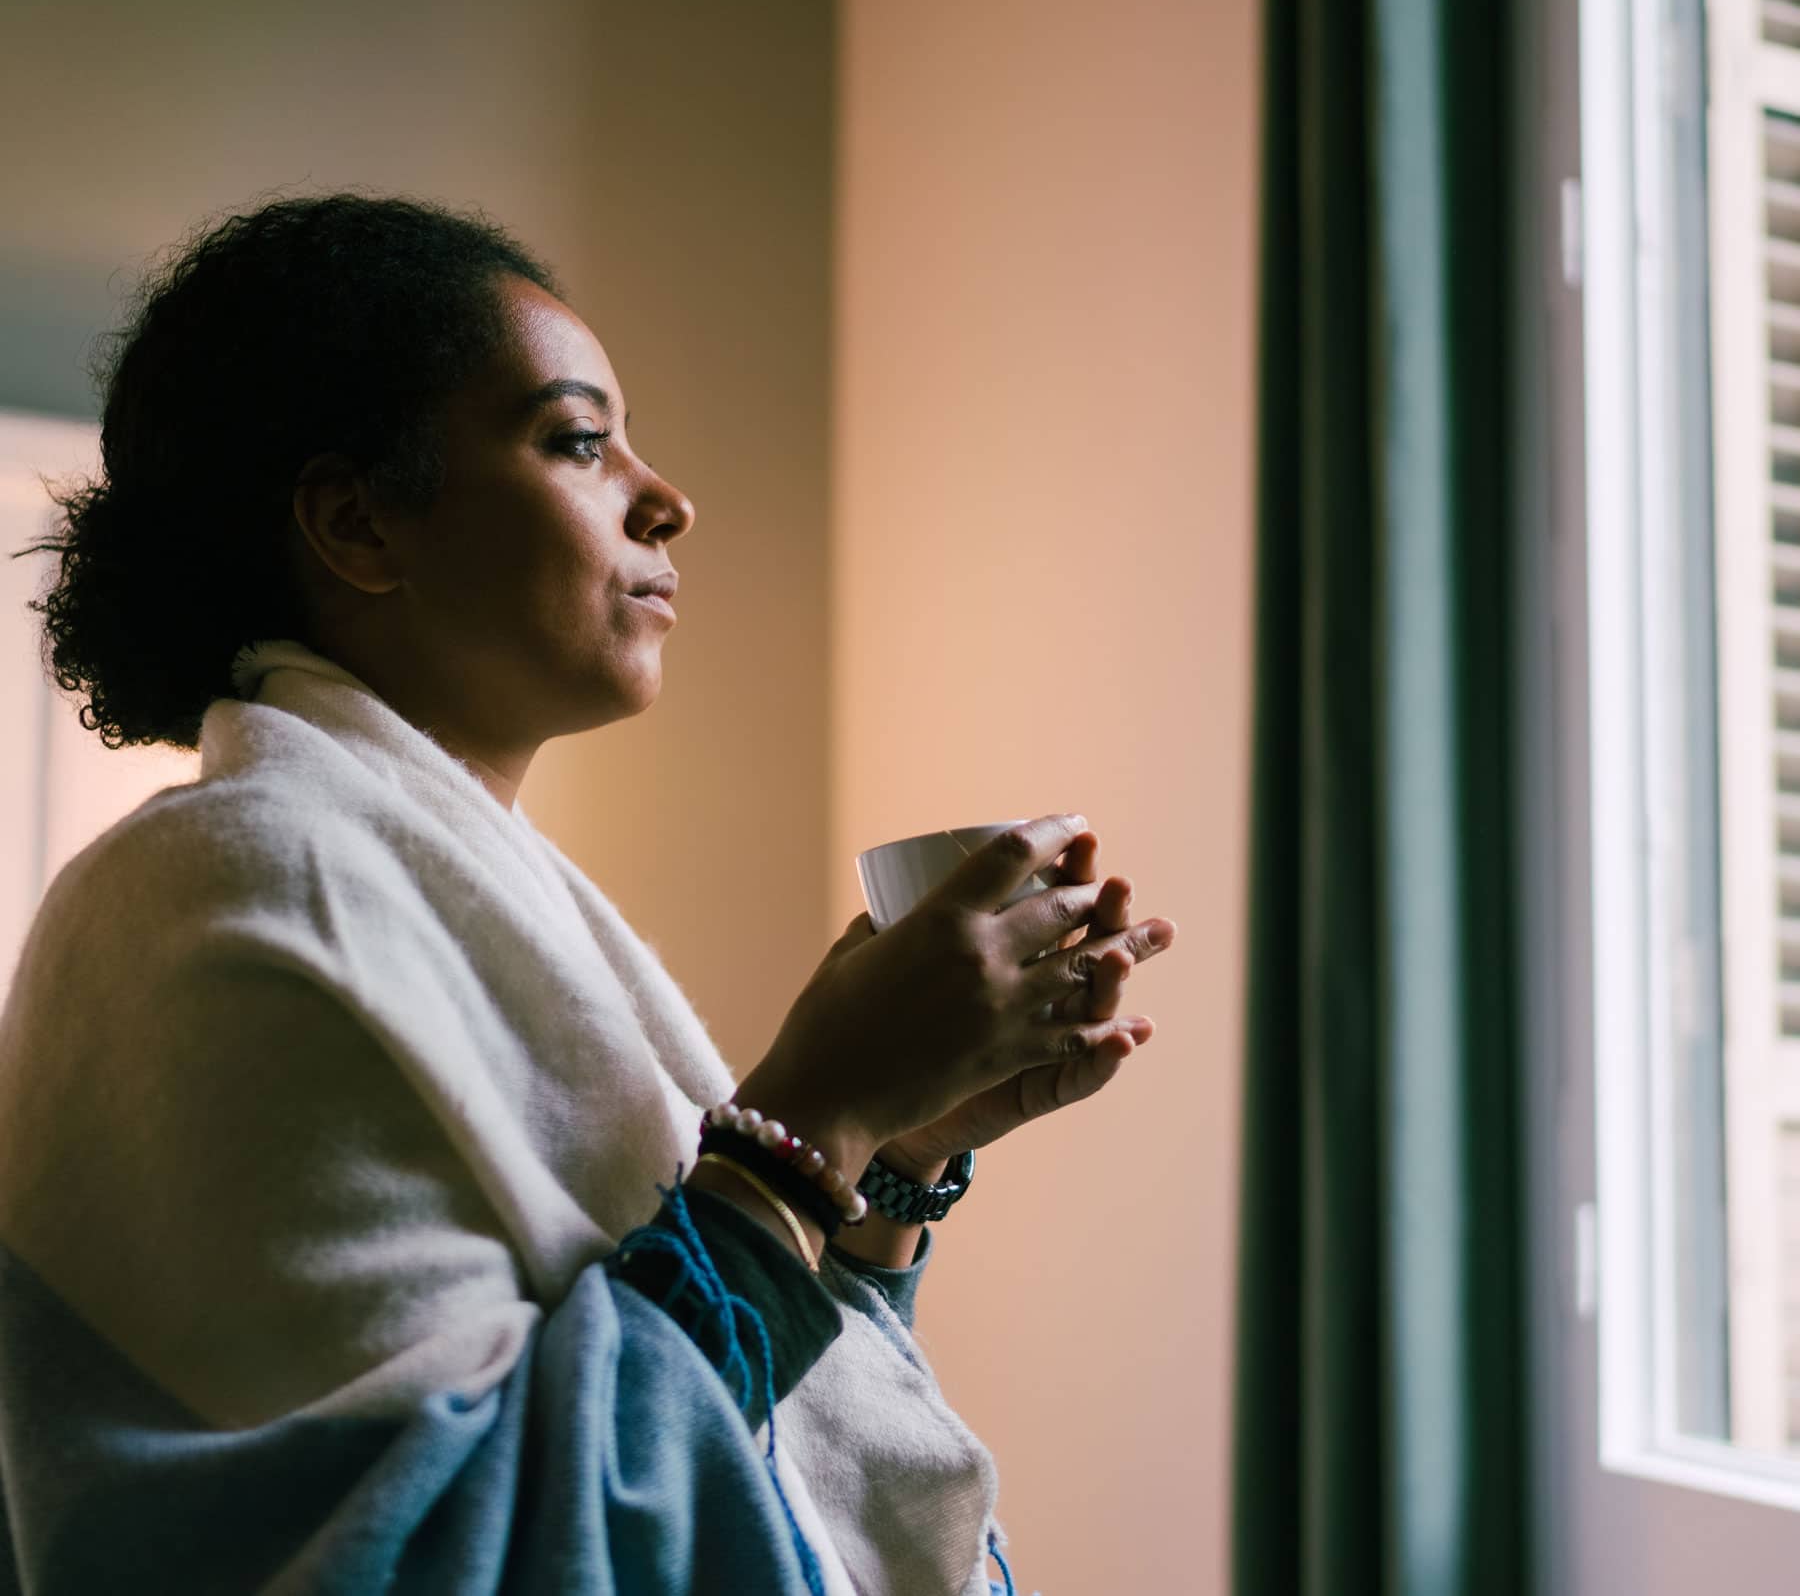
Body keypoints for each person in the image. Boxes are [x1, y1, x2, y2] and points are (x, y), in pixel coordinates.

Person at [0, 192, 1176, 1595]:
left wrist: (893, 1154)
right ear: (358, 522)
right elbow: (432, 1548)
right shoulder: (222, 888)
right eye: (575, 439)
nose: (666, 496)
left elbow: (716, 1420)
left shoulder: (440, 892)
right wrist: (812, 1116)